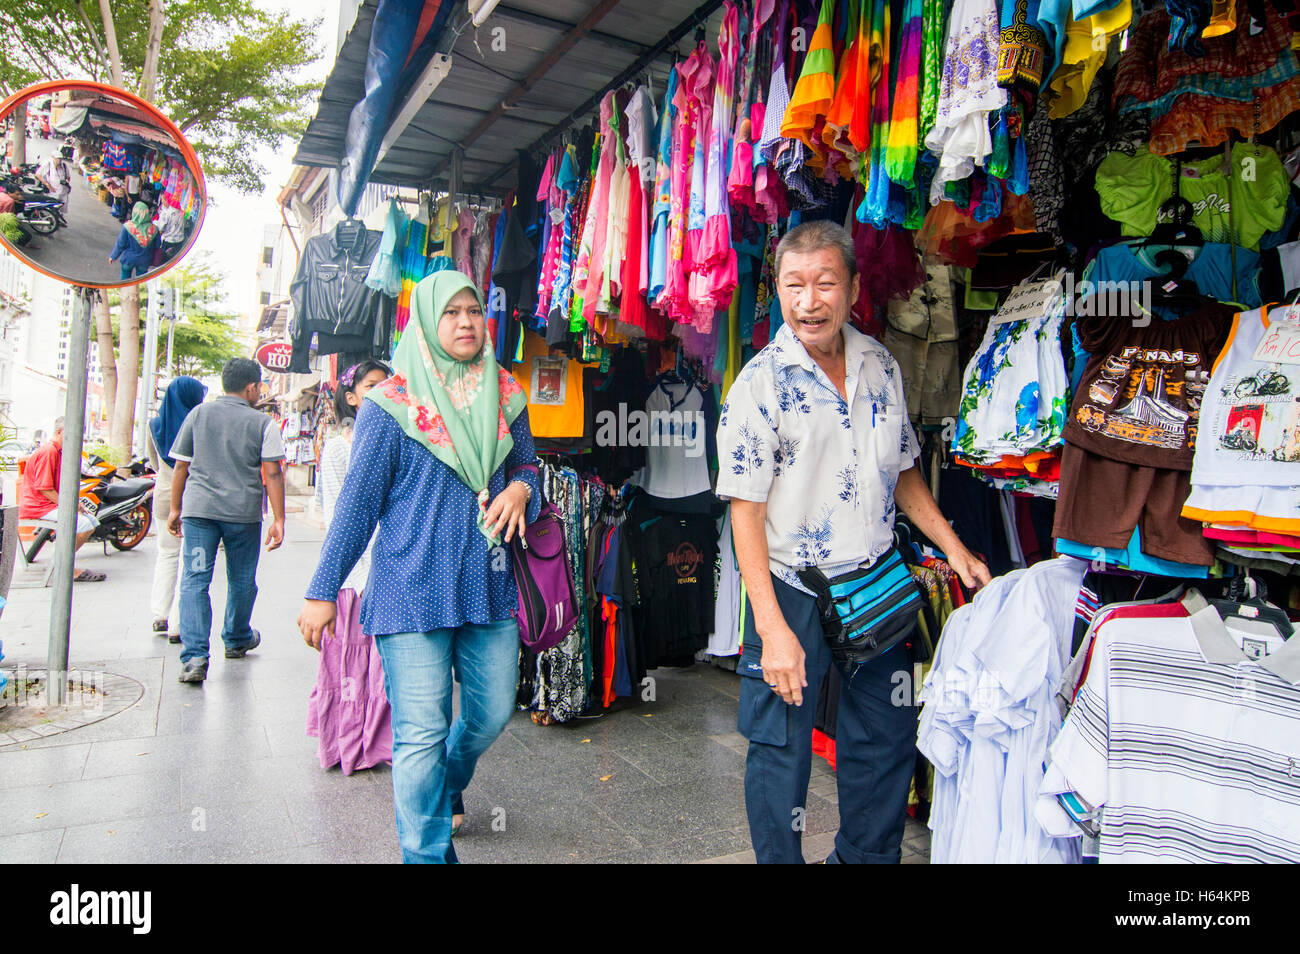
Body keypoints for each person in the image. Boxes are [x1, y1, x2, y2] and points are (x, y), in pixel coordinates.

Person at [715, 220, 992, 865]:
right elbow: (745, 512)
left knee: (886, 737)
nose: (809, 301)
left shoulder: (880, 363)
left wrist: (953, 548)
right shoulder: (758, 386)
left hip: (873, 582)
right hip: (791, 591)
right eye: (794, 285)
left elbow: (900, 471)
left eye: (824, 284)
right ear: (778, 290)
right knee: (780, 748)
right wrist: (773, 630)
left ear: (854, 288)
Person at [297, 270, 542, 864]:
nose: (464, 322)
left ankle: (446, 782)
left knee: (490, 714)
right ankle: (428, 856)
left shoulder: (505, 393)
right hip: (411, 589)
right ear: (428, 323)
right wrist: (322, 588)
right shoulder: (390, 406)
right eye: (451, 312)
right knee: (419, 736)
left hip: (487, 582)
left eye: (473, 311)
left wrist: (520, 491)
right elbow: (358, 505)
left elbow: (529, 468)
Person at [168, 358, 286, 684]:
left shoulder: (198, 415)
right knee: (242, 579)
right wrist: (279, 518)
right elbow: (273, 472)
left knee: (194, 579)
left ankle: (194, 657)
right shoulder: (264, 424)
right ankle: (235, 638)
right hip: (243, 516)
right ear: (251, 387)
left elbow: (181, 466)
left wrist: (175, 509)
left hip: (199, 514)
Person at [306, 359, 394, 775]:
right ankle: (346, 744)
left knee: (378, 665)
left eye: (387, 385)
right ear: (353, 396)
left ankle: (377, 744)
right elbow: (340, 513)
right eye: (372, 386)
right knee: (349, 664)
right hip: (354, 572)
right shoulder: (340, 448)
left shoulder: (393, 438)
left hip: (389, 568)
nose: (380, 392)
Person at [146, 376, 207, 642]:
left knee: (166, 554)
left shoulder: (155, 424)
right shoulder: (199, 423)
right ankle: (178, 624)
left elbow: (155, 463)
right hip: (192, 497)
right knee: (191, 562)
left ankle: (160, 613)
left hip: (163, 495)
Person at [17, 417, 105, 582]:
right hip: (38, 507)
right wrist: (70, 506)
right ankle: (63, 566)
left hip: (47, 505)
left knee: (91, 522)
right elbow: (44, 488)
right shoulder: (49, 451)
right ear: (59, 432)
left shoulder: (56, 452)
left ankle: (61, 562)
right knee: (84, 524)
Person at [109, 202, 160, 281]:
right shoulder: (154, 229)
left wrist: (113, 256)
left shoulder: (128, 226)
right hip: (144, 261)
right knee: (140, 282)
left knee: (124, 280)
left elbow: (121, 244)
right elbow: (157, 246)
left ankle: (124, 292)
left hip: (128, 259)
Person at [36, 145, 72, 212]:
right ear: (53, 158)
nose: (59, 160)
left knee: (61, 208)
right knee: (51, 208)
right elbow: (38, 175)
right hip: (52, 191)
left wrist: (67, 180)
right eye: (58, 158)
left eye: (61, 159)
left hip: (63, 191)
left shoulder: (64, 165)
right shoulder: (48, 164)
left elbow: (68, 176)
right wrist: (48, 185)